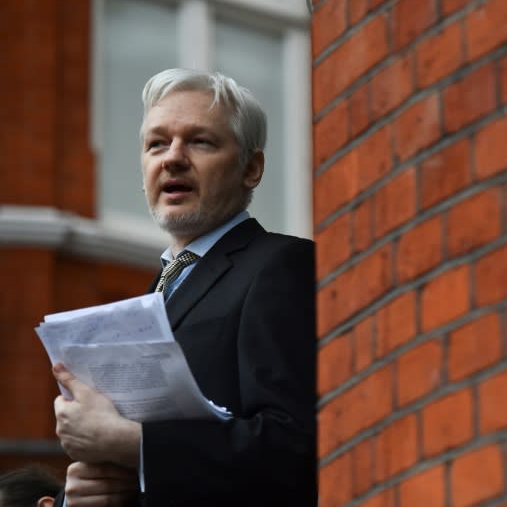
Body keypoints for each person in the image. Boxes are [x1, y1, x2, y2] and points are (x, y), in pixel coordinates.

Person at [51, 68, 317, 506]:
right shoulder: (150, 298)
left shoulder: (279, 265)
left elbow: (293, 446)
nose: (172, 158)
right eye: (157, 143)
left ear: (251, 168)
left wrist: (135, 445)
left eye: (200, 141)